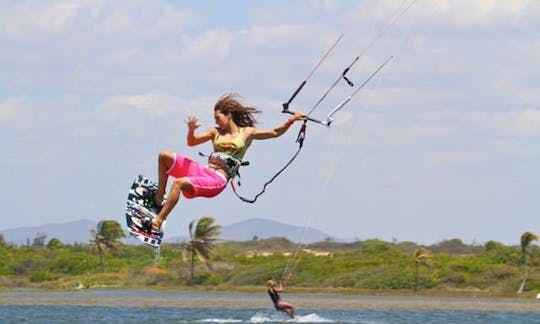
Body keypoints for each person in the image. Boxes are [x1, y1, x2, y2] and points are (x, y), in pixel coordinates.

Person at [141, 93, 305, 233]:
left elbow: (275, 132)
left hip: (217, 180)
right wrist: (191, 130)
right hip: (204, 171)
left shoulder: (247, 133)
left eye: (218, 118)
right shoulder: (215, 132)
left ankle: (158, 221)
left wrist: (292, 120)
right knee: (164, 156)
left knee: (178, 183)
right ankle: (158, 198)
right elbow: (192, 142)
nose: (216, 122)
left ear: (229, 115)